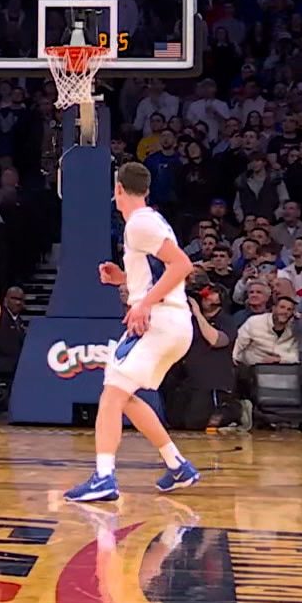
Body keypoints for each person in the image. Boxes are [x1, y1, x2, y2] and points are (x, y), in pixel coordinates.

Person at [64, 162, 200, 502]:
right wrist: (125, 280)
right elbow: (158, 271)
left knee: (111, 395)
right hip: (172, 321)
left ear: (118, 190)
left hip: (160, 320)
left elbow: (182, 266)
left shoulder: (139, 222)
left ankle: (104, 477)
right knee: (122, 394)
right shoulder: (149, 220)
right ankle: (177, 464)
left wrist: (143, 304)